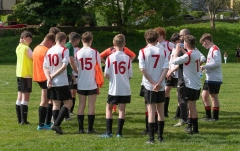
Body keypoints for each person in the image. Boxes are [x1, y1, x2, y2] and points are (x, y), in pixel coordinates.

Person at [99, 34, 132, 138]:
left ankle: (109, 132)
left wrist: (112, 79)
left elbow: (106, 73)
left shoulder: (110, 57)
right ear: (125, 45)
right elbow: (130, 75)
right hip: (125, 88)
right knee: (122, 109)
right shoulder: (127, 58)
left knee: (109, 108)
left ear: (113, 44)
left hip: (114, 88)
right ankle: (119, 133)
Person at [138, 29, 168, 143]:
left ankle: (151, 138)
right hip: (160, 85)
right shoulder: (164, 51)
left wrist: (152, 83)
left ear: (146, 39)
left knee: (151, 112)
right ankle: (160, 137)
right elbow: (166, 68)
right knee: (160, 111)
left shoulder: (143, 51)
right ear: (157, 39)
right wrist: (159, 82)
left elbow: (142, 69)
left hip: (149, 86)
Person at [43, 32, 73, 134]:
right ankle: (56, 124)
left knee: (56, 104)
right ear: (64, 40)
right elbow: (64, 66)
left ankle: (56, 126)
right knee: (68, 103)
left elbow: (45, 67)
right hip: (61, 81)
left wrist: (49, 78)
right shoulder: (64, 50)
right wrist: (53, 76)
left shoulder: (48, 51)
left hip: (51, 82)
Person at [172, 35, 201, 134]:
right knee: (192, 106)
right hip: (196, 83)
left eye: (184, 42)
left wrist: (176, 51)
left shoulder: (188, 56)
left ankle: (195, 129)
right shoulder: (196, 52)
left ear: (187, 44)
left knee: (191, 107)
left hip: (190, 84)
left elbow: (174, 61)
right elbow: (189, 55)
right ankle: (192, 127)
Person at [76, 32, 101, 134]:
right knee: (91, 105)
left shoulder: (78, 52)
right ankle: (90, 128)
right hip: (92, 82)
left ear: (82, 40)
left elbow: (77, 67)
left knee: (81, 105)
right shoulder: (95, 52)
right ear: (91, 40)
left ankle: (81, 128)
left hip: (81, 81)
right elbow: (98, 66)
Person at [100, 45, 136, 113]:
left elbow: (133, 55)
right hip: (115, 70)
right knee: (116, 89)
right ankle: (114, 108)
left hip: (118, 71)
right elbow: (100, 56)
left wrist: (128, 63)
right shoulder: (110, 49)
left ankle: (114, 108)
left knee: (114, 90)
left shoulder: (123, 49)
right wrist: (106, 63)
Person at [32, 33, 56, 130]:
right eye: (52, 44)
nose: (52, 46)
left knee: (49, 100)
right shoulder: (46, 51)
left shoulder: (36, 48)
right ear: (49, 41)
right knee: (45, 101)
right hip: (45, 77)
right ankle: (41, 124)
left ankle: (47, 122)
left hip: (38, 76)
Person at [200, 33, 222, 121]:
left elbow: (217, 63)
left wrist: (204, 66)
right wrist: (204, 68)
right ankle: (208, 115)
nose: (202, 45)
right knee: (204, 95)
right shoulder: (211, 50)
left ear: (207, 41)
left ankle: (215, 117)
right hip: (209, 77)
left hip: (215, 78)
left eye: (203, 43)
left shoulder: (215, 50)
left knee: (213, 97)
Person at [154, 27, 174, 118]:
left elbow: (175, 51)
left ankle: (164, 111)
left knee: (166, 90)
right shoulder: (155, 45)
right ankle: (163, 111)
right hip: (159, 69)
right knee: (164, 90)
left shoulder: (168, 44)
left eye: (157, 35)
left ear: (162, 35)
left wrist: (171, 57)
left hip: (169, 69)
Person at [15, 30, 33, 125]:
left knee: (19, 97)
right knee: (25, 98)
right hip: (26, 74)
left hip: (19, 74)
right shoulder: (27, 48)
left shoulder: (19, 47)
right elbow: (34, 57)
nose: (31, 41)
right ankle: (24, 120)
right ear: (25, 37)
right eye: (30, 39)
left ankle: (19, 119)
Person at [64, 32, 80, 120]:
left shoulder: (66, 45)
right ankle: (66, 115)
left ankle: (66, 114)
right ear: (77, 40)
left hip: (67, 73)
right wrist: (77, 72)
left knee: (68, 94)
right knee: (68, 95)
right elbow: (71, 61)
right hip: (67, 74)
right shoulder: (70, 47)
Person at [168, 33, 181, 120]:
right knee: (166, 90)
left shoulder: (181, 50)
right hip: (171, 74)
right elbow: (171, 61)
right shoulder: (174, 49)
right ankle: (165, 112)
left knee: (179, 94)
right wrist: (169, 71)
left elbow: (179, 64)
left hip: (178, 74)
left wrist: (171, 71)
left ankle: (178, 114)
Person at [70, 46, 80, 115]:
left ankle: (70, 110)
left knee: (74, 92)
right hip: (70, 74)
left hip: (77, 74)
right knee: (70, 92)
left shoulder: (79, 50)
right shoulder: (67, 49)